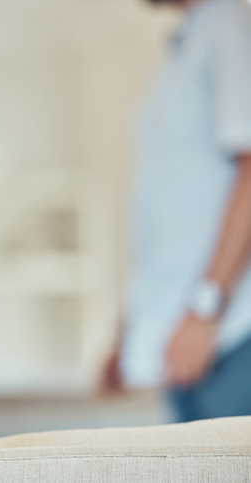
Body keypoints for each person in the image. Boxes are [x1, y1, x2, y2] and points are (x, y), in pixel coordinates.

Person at [101, 0, 251, 422]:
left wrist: (206, 309)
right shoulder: (188, 42)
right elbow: (172, 213)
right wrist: (130, 333)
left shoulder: (231, 21)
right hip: (187, 341)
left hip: (231, 333)